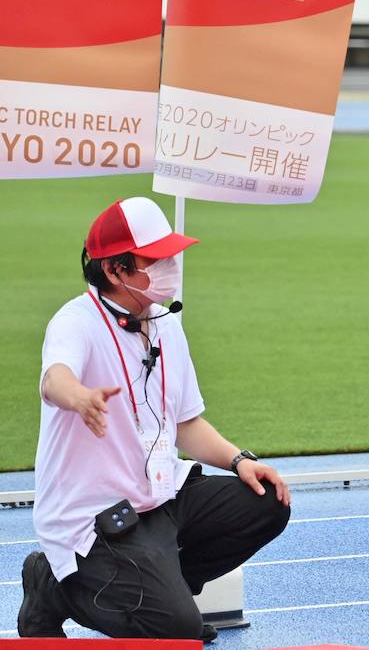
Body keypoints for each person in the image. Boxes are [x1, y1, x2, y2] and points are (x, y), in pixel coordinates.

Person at [17, 197, 292, 640]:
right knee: (178, 631)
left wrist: (240, 460)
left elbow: (186, 424)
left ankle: (165, 594)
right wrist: (80, 397)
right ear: (115, 270)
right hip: (94, 516)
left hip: (160, 496)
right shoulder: (75, 322)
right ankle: (52, 586)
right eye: (156, 259)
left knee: (267, 503)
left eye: (171, 255)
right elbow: (55, 379)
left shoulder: (165, 322)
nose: (171, 266)